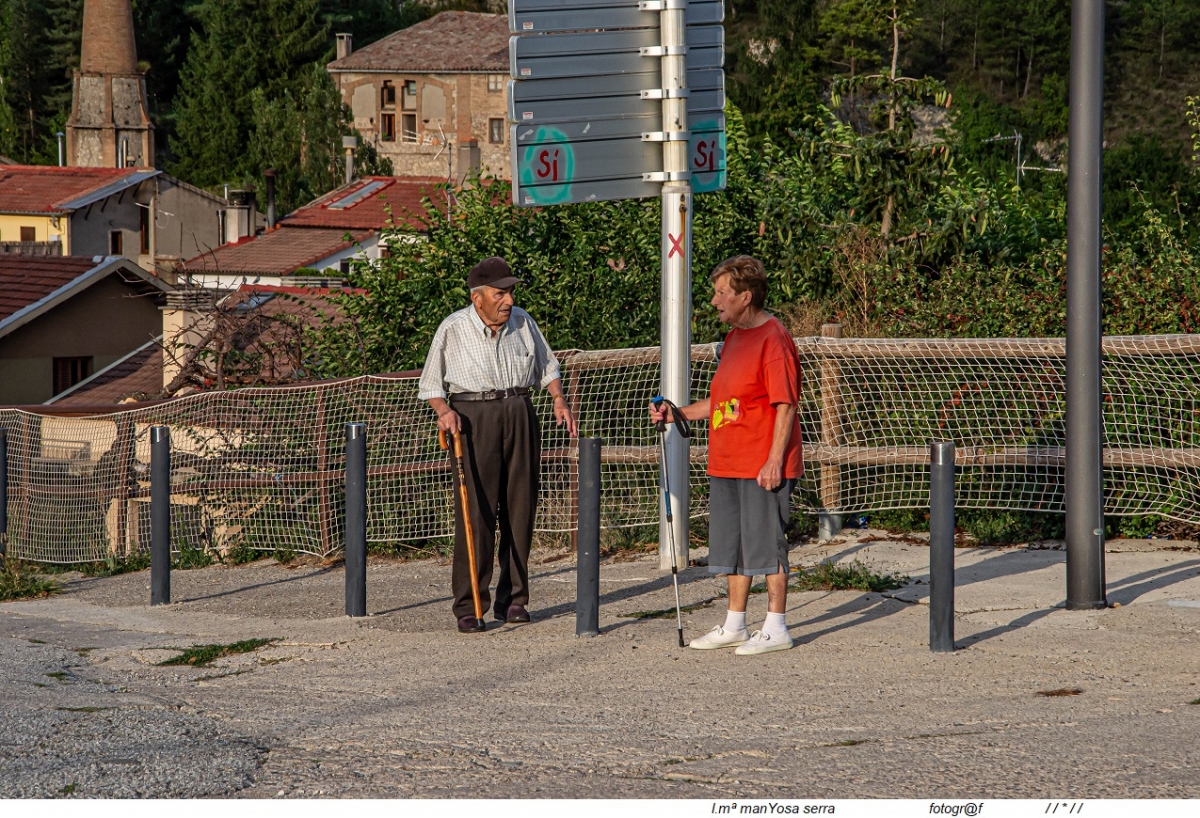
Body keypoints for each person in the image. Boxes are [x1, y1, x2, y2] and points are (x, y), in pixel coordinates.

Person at [650, 255, 802, 655]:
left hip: (761, 462)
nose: (715, 301)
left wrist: (773, 460)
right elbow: (724, 402)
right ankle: (736, 623)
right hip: (727, 460)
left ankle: (776, 626)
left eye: (722, 293)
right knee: (733, 545)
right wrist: (677, 412)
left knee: (767, 544)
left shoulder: (774, 338)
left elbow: (785, 405)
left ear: (745, 296)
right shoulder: (733, 339)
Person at [419, 256, 578, 633]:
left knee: (520, 508)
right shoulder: (453, 328)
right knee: (476, 513)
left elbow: (547, 365)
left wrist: (558, 398)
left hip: (519, 408)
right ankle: (469, 603)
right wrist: (444, 411)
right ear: (478, 298)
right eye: (499, 294)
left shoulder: (523, 321)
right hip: (473, 416)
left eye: (509, 293)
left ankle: (514, 600)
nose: (508, 301)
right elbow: (430, 384)